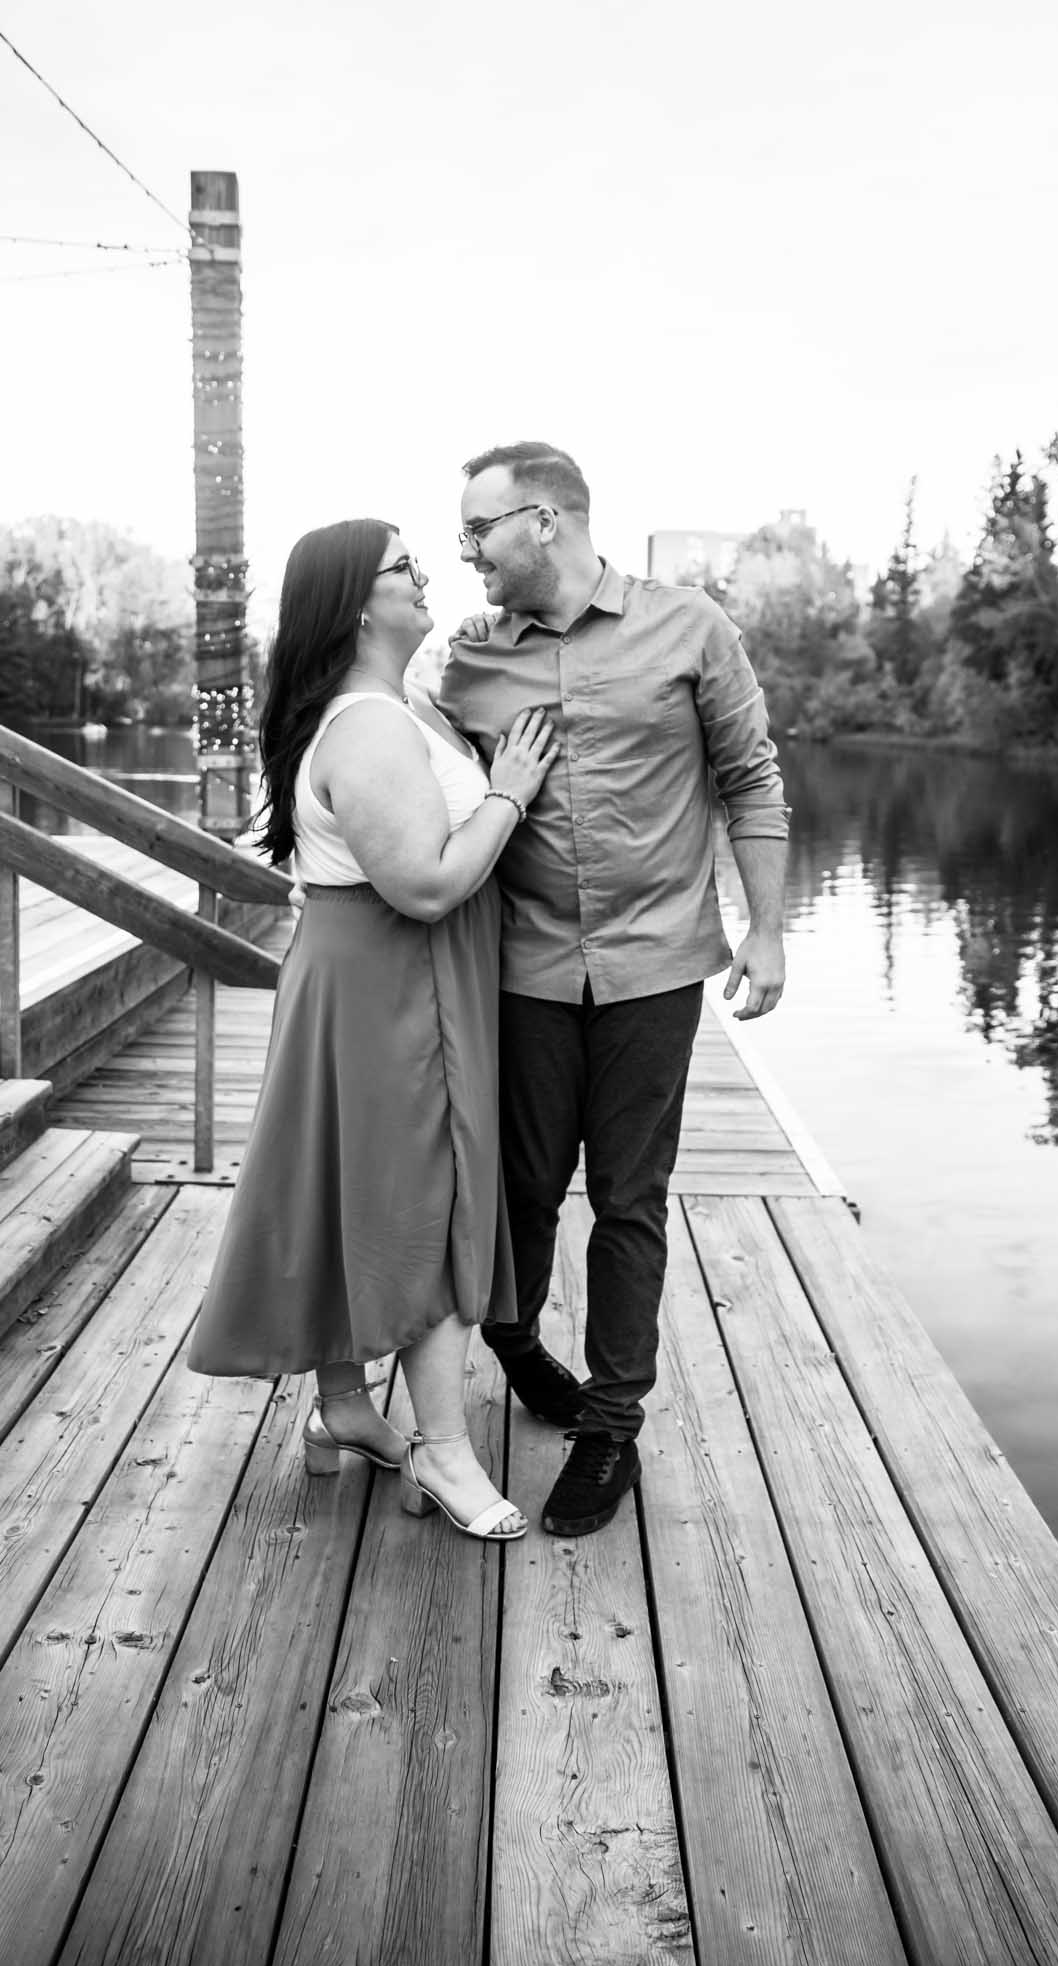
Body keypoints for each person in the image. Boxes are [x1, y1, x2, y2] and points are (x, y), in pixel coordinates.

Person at [439, 442, 790, 1537]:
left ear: (542, 521)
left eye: (479, 529)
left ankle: (610, 1425)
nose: (466, 551)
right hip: (526, 970)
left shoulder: (690, 628)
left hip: (652, 970)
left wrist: (767, 928)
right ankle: (509, 1336)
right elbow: (393, 751)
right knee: (524, 1189)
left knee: (629, 1196)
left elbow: (751, 776)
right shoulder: (465, 660)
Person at [188, 518, 557, 1542]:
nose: (425, 570)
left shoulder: (398, 704)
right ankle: (438, 1447)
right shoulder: (365, 726)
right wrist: (509, 795)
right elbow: (429, 884)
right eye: (404, 565)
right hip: (392, 978)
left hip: (364, 975)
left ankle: (347, 1408)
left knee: (353, 1184)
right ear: (357, 602)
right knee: (420, 1197)